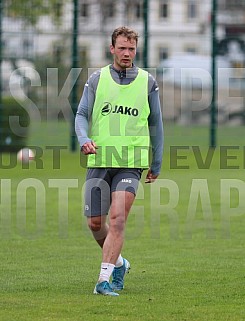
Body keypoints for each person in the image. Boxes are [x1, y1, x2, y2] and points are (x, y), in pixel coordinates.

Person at [75, 26, 163, 296]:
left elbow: (156, 124)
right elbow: (81, 116)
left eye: (131, 49)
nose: (127, 53)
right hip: (100, 160)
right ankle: (120, 262)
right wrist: (83, 139)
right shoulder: (97, 79)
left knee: (118, 219)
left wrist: (155, 162)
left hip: (130, 163)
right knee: (95, 223)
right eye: (122, 48)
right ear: (112, 48)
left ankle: (104, 280)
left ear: (136, 50)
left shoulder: (147, 82)